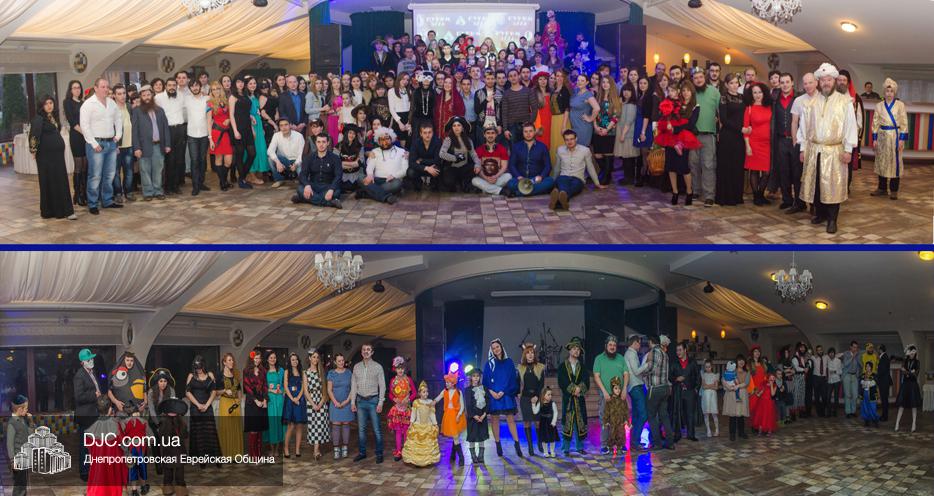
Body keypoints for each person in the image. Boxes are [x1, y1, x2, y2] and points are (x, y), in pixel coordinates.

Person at [797, 63, 859, 234]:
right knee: (817, 184)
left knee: (833, 186)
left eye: (829, 80)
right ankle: (820, 214)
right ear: (819, 82)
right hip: (814, 150)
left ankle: (832, 219)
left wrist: (848, 150)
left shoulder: (845, 102)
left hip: (834, 152)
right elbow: (803, 127)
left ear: (834, 81)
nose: (826, 83)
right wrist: (803, 148)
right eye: (823, 80)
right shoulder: (811, 102)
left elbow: (850, 126)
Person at [29, 95, 77, 220]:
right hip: (46, 157)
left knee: (60, 180)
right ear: (41, 106)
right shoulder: (39, 119)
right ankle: (50, 210)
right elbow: (34, 135)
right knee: (49, 181)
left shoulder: (52, 117)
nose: (49, 105)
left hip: (57, 156)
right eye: (46, 103)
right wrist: (33, 151)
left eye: (51, 102)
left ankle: (64, 210)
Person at [80, 77, 123, 214]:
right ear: (96, 88)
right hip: (96, 144)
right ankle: (93, 204)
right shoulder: (88, 104)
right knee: (95, 176)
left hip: (111, 143)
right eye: (103, 87)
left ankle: (107, 200)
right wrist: (93, 143)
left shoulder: (111, 103)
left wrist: (118, 135)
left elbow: (118, 119)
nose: (106, 89)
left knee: (110, 174)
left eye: (107, 87)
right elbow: (84, 126)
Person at [657, 83, 700, 205]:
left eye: (688, 91)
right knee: (671, 166)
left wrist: (675, 129)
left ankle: (689, 191)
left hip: (683, 138)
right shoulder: (671, 102)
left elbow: (689, 124)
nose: (686, 93)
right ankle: (675, 192)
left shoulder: (690, 105)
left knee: (683, 167)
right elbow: (664, 116)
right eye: (684, 90)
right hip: (669, 137)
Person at [483, 338, 522, 457]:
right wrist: (492, 392)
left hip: (506, 395)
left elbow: (513, 379)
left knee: (510, 419)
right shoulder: (489, 364)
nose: (496, 349)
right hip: (494, 396)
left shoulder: (509, 362)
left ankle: (517, 444)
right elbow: (485, 381)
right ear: (491, 350)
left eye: (497, 347)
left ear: (501, 347)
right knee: (495, 419)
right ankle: (498, 445)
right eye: (493, 348)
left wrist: (503, 391)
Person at [130, 85, 171, 201]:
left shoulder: (160, 110)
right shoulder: (137, 111)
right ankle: (148, 192)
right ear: (141, 97)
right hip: (143, 147)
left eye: (148, 95)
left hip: (159, 145)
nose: (146, 97)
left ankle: (158, 191)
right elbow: (134, 131)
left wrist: (167, 144)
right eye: (144, 95)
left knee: (158, 170)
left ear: (152, 95)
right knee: (145, 170)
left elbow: (165, 128)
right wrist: (136, 148)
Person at [870, 78, 908, 200]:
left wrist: (901, 139)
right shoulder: (879, 106)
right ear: (884, 92)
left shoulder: (900, 105)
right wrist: (874, 139)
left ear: (895, 92)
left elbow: (904, 123)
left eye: (891, 91)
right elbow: (875, 123)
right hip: (882, 137)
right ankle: (882, 188)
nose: (889, 93)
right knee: (882, 162)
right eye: (887, 91)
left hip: (895, 137)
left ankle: (894, 190)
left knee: (894, 163)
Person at [688, 69, 720, 206]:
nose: (698, 80)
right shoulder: (690, 92)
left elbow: (720, 111)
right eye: (695, 78)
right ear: (692, 80)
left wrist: (719, 129)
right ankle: (696, 190)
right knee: (693, 164)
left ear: (705, 78)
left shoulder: (714, 92)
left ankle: (709, 195)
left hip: (708, 134)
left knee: (708, 165)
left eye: (701, 77)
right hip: (692, 135)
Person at [592, 335, 629, 454]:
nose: (612, 347)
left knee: (620, 420)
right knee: (605, 420)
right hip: (606, 395)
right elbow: (596, 376)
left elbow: (626, 374)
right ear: (606, 346)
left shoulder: (621, 358)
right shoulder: (599, 359)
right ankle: (604, 445)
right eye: (610, 345)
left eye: (614, 345)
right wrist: (604, 392)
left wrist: (624, 389)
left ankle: (621, 444)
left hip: (619, 396)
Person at [351, 343, 386, 463]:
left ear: (372, 352)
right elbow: (353, 385)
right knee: (361, 429)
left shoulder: (378, 367)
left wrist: (380, 403)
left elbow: (382, 386)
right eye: (364, 349)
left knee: (376, 429)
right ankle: (362, 453)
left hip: (373, 401)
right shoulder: (356, 367)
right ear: (361, 352)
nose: (366, 351)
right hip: (360, 401)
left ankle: (379, 454)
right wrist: (353, 402)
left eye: (368, 349)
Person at [86, 397, 126, 496]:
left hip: (98, 465)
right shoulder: (116, 425)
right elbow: (123, 445)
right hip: (112, 465)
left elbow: (89, 447)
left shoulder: (91, 428)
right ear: (110, 409)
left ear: (97, 409)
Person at [715, 74, 746, 206]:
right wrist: (740, 128)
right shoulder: (723, 98)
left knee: (737, 166)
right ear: (726, 85)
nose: (734, 85)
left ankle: (737, 196)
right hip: (727, 136)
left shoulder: (743, 97)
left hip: (739, 137)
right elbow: (724, 119)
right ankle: (726, 197)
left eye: (736, 82)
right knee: (726, 166)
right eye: (731, 83)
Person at [185, 355, 221, 467]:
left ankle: (216, 458)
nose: (198, 370)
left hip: (207, 406)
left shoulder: (209, 375)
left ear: (203, 366)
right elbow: (187, 392)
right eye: (196, 368)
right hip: (195, 407)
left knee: (210, 432)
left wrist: (207, 405)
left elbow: (214, 391)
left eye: (200, 367)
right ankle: (201, 460)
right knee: (199, 433)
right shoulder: (191, 376)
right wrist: (198, 404)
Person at [557, 336, 589, 456]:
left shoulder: (583, 367)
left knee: (579, 423)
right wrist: (573, 389)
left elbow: (586, 381)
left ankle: (579, 447)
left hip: (579, 399)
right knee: (567, 423)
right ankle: (565, 449)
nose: (576, 351)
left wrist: (579, 388)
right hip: (568, 399)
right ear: (570, 350)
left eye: (578, 349)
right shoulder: (562, 366)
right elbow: (562, 381)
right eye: (574, 348)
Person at [154, 77, 186, 195]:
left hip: (180, 129)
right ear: (165, 86)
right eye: (169, 85)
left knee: (178, 159)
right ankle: (167, 186)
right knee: (168, 159)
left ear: (176, 86)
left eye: (174, 85)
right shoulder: (158, 98)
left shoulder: (181, 96)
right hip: (167, 130)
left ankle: (175, 185)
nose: (172, 87)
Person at [642, 335, 674, 450]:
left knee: (651, 416)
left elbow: (651, 368)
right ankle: (670, 443)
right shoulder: (665, 354)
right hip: (665, 388)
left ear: (651, 342)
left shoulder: (654, 351)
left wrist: (641, 371)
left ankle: (657, 443)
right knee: (664, 416)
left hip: (655, 388)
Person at [742, 82, 773, 206]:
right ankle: (756, 196)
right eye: (754, 92)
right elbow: (745, 129)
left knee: (766, 172)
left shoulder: (769, 106)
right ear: (751, 94)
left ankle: (761, 194)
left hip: (767, 144)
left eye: (760, 92)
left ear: (764, 93)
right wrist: (747, 146)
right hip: (753, 143)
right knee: (754, 170)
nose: (757, 95)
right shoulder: (749, 108)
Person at [357, 127, 405, 204]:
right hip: (375, 180)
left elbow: (405, 169)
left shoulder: (401, 151)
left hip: (391, 181)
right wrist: (370, 174)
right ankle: (387, 197)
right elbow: (370, 165)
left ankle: (367, 192)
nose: (384, 141)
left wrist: (394, 176)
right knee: (360, 177)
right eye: (381, 139)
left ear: (391, 139)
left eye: (387, 138)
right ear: (378, 141)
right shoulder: (374, 151)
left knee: (397, 184)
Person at [294, 132, 343, 208]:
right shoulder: (309, 157)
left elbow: (338, 176)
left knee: (337, 191)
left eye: (324, 142)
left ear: (328, 143)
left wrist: (331, 189)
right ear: (315, 143)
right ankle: (330, 202)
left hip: (328, 186)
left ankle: (304, 199)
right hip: (313, 186)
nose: (321, 144)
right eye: (319, 142)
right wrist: (307, 185)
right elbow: (303, 174)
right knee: (300, 188)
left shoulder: (335, 158)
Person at [74, 348, 101, 480]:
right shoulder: (79, 375)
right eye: (89, 359)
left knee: (93, 444)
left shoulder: (92, 372)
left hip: (93, 414)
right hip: (85, 416)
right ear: (83, 362)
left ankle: (92, 469)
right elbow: (79, 397)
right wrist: (94, 395)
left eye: (92, 358)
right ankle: (84, 473)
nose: (92, 361)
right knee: (85, 446)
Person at [506, 122, 554, 197]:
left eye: (530, 131)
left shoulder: (542, 147)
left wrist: (541, 176)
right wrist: (518, 176)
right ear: (522, 133)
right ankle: (536, 190)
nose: (528, 134)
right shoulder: (516, 147)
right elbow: (511, 165)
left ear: (534, 132)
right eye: (525, 131)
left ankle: (517, 193)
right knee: (510, 184)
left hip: (535, 179)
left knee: (550, 181)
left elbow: (548, 166)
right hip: (521, 179)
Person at [402, 381, 440, 466]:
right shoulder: (416, 402)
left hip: (428, 425)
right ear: (419, 393)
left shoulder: (430, 402)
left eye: (427, 391)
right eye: (424, 392)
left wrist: (435, 423)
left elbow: (432, 414)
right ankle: (417, 460)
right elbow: (413, 414)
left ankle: (428, 460)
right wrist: (411, 423)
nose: (426, 393)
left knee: (428, 443)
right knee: (417, 444)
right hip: (418, 425)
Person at [433, 371, 467, 466]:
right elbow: (438, 398)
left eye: (448, 382)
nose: (446, 384)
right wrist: (432, 402)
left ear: (453, 383)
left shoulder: (458, 392)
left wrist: (458, 415)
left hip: (457, 416)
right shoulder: (445, 391)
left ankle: (461, 458)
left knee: (455, 436)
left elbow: (462, 406)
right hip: (448, 416)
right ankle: (453, 455)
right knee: (455, 436)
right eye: (446, 382)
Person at [590, 75, 619, 184]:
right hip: (597, 129)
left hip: (609, 131)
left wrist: (607, 129)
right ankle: (605, 172)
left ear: (611, 84)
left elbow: (616, 117)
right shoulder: (597, 97)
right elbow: (593, 113)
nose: (605, 84)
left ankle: (606, 176)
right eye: (603, 82)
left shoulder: (615, 99)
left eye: (607, 82)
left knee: (607, 154)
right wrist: (596, 127)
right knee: (597, 154)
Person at [517, 343, 545, 456]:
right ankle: (530, 447)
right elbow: (517, 382)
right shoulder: (521, 368)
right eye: (528, 353)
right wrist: (517, 393)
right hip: (525, 399)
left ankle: (539, 443)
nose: (530, 355)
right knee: (527, 422)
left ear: (534, 354)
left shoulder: (540, 367)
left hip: (536, 397)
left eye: (532, 352)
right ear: (524, 355)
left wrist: (537, 396)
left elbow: (541, 384)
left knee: (537, 422)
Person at [386, 356, 416, 462]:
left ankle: (406, 450)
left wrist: (408, 399)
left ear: (404, 369)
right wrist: (395, 399)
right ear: (395, 369)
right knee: (398, 431)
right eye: (398, 368)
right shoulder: (393, 381)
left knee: (406, 431)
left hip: (406, 408)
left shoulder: (408, 380)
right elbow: (390, 394)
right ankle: (398, 451)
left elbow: (414, 392)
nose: (400, 370)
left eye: (402, 368)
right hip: (397, 409)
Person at [64, 80, 88, 206]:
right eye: (74, 88)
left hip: (86, 137)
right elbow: (72, 121)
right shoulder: (67, 102)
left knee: (85, 166)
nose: (77, 90)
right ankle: (77, 194)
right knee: (78, 166)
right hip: (76, 136)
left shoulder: (84, 103)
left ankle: (84, 193)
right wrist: (86, 133)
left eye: (79, 87)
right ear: (70, 90)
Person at [157, 397, 188, 496]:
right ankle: (181, 490)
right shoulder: (182, 423)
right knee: (179, 471)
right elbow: (186, 435)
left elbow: (160, 437)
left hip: (167, 451)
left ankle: (168, 489)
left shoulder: (162, 423)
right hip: (179, 451)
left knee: (167, 471)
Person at [206, 81, 233, 191]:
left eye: (217, 88)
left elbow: (232, 115)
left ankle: (224, 180)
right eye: (213, 89)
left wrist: (229, 119)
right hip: (216, 133)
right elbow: (208, 122)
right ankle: (223, 182)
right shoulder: (209, 103)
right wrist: (210, 139)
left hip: (227, 133)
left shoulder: (226, 101)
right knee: (219, 158)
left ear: (221, 89)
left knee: (228, 160)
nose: (216, 91)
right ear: (211, 91)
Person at [185, 79, 210, 195]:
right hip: (192, 135)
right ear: (190, 88)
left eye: (196, 86)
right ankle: (195, 186)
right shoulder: (186, 99)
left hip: (204, 134)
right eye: (192, 86)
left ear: (200, 87)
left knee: (202, 160)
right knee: (194, 160)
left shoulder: (207, 99)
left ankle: (201, 183)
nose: (195, 88)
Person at [230, 77, 256, 189]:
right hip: (238, 128)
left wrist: (251, 118)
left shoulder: (245, 95)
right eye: (238, 82)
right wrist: (235, 130)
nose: (240, 84)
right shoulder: (233, 97)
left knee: (252, 153)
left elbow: (245, 111)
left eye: (242, 82)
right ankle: (242, 180)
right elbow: (231, 115)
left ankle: (242, 177)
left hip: (247, 128)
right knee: (239, 155)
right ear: (235, 84)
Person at [670, 342, 699, 442]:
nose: (678, 352)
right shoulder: (674, 363)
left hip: (690, 392)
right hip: (678, 391)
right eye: (677, 350)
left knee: (690, 413)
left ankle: (691, 434)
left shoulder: (692, 362)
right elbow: (670, 377)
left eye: (680, 350)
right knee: (677, 413)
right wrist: (676, 379)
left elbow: (698, 376)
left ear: (685, 350)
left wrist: (696, 389)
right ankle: (677, 435)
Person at [303, 350, 329, 460]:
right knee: (313, 426)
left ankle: (316, 450)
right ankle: (316, 450)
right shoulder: (305, 373)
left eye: (317, 357)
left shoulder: (321, 372)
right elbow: (306, 391)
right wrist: (313, 404)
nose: (316, 359)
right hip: (311, 402)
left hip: (321, 400)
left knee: (320, 426)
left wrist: (321, 403)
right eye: (314, 357)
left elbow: (325, 390)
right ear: (309, 358)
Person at [216, 353, 243, 458]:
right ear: (224, 362)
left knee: (236, 429)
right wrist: (224, 390)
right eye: (229, 360)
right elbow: (215, 392)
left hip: (235, 403)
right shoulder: (220, 375)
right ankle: (226, 455)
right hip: (225, 403)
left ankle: (236, 455)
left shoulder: (235, 373)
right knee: (226, 429)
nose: (232, 362)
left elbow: (239, 389)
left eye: (232, 360)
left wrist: (239, 401)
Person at [326, 353, 353, 459]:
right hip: (335, 403)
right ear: (335, 362)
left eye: (342, 360)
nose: (341, 362)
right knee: (335, 426)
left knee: (346, 425)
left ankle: (345, 448)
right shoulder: (331, 373)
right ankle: (336, 449)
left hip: (347, 403)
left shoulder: (349, 373)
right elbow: (329, 390)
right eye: (339, 361)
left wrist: (346, 401)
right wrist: (335, 402)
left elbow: (353, 388)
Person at [111, 85, 134, 204]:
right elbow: (109, 129)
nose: (122, 96)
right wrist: (114, 145)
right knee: (115, 172)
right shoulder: (111, 109)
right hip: (116, 147)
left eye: (124, 93)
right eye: (119, 94)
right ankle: (118, 193)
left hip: (129, 145)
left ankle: (128, 192)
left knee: (129, 171)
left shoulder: (129, 107)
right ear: (114, 95)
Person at [267, 118, 305, 188]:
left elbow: (301, 154)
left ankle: (297, 177)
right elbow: (270, 150)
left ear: (290, 125)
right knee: (270, 159)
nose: (284, 127)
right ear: (279, 127)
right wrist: (278, 162)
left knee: (303, 182)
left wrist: (296, 164)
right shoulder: (276, 135)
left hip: (296, 161)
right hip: (284, 161)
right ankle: (279, 180)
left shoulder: (299, 136)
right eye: (281, 125)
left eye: (286, 125)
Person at [243, 350, 268, 458]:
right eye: (255, 358)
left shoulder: (263, 371)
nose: (257, 360)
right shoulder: (246, 371)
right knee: (253, 429)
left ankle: (259, 454)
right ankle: (253, 455)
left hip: (262, 401)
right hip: (251, 402)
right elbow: (247, 387)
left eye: (259, 358)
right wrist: (256, 400)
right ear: (251, 359)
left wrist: (265, 400)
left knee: (260, 429)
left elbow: (265, 386)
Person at [472, 129, 511, 196]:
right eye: (488, 133)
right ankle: (500, 191)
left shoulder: (502, 149)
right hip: (484, 178)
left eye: (492, 133)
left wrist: (496, 176)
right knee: (474, 180)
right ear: (484, 135)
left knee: (509, 176)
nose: (490, 135)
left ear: (496, 135)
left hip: (498, 178)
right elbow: (478, 167)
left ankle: (487, 189)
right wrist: (486, 178)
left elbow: (504, 167)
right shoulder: (479, 150)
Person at [614, 83, 640, 185]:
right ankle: (627, 177)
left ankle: (629, 178)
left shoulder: (631, 105)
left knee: (629, 158)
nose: (626, 92)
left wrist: (623, 134)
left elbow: (629, 121)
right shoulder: (624, 104)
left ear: (632, 92)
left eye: (628, 90)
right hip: (622, 132)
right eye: (624, 90)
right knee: (625, 158)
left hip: (628, 134)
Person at [464, 367, 490, 464]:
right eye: (474, 376)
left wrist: (484, 414)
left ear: (480, 377)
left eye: (477, 376)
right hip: (472, 418)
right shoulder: (468, 390)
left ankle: (481, 455)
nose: (476, 378)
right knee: (472, 436)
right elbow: (468, 405)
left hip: (482, 416)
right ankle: (473, 456)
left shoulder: (484, 388)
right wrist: (474, 416)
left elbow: (488, 402)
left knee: (481, 436)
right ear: (471, 377)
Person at [6, 395, 30, 496]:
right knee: (19, 484)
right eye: (26, 408)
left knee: (23, 483)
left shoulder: (23, 420)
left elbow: (30, 433)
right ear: (20, 409)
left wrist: (31, 422)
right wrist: (12, 460)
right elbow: (9, 444)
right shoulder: (12, 423)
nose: (27, 410)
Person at [894, 345, 921, 432]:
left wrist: (907, 372)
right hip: (905, 385)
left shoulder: (917, 362)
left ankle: (914, 423)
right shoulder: (905, 361)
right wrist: (910, 372)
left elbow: (915, 374)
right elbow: (903, 372)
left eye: (913, 352)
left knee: (914, 405)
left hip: (913, 385)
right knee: (901, 405)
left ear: (915, 353)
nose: (912, 354)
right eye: (910, 352)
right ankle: (897, 423)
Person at [722, 356, 750, 441]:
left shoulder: (747, 371)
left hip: (742, 393)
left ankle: (741, 432)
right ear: (736, 362)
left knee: (741, 414)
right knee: (732, 414)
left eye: (743, 360)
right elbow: (723, 378)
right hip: (732, 393)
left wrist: (738, 386)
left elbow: (746, 383)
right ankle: (732, 434)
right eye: (739, 360)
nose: (741, 362)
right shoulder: (731, 370)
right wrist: (727, 386)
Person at [568, 74, 599, 148]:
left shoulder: (588, 94)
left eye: (582, 81)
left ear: (587, 82)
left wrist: (590, 118)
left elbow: (597, 108)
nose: (579, 82)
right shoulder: (576, 92)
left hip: (583, 126)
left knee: (582, 149)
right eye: (578, 80)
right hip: (574, 126)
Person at [263, 351, 284, 457]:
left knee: (279, 422)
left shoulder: (281, 370)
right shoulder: (264, 371)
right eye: (271, 357)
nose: (273, 359)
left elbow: (285, 384)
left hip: (279, 400)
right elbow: (262, 387)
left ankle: (278, 449)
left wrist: (281, 390)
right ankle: (272, 449)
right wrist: (270, 390)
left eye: (274, 357)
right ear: (267, 359)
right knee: (271, 423)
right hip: (270, 400)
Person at [603, 376, 630, 457]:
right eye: (616, 388)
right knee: (611, 434)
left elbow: (626, 410)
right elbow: (606, 411)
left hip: (620, 422)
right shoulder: (609, 400)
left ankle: (619, 447)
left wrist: (626, 420)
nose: (618, 390)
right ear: (612, 389)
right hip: (612, 422)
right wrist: (606, 421)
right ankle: (610, 447)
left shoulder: (622, 399)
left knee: (621, 434)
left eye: (619, 388)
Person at [841, 340, 861, 418]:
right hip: (847, 375)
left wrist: (858, 373)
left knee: (855, 395)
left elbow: (859, 365)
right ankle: (848, 412)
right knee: (848, 395)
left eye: (856, 347)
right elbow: (845, 364)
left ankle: (853, 411)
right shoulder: (846, 354)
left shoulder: (858, 354)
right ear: (850, 347)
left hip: (854, 376)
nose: (855, 349)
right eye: (854, 347)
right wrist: (852, 357)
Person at [700, 359, 720, 437]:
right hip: (705, 396)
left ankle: (717, 430)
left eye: (709, 367)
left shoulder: (715, 375)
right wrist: (711, 385)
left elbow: (716, 387)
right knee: (706, 413)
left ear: (712, 367)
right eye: (706, 367)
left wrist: (708, 386)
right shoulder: (703, 375)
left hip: (713, 396)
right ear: (704, 367)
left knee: (714, 413)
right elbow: (703, 386)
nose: (707, 368)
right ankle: (708, 430)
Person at [860, 362, 881, 428]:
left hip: (872, 394)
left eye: (868, 366)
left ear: (871, 367)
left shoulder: (874, 375)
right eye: (866, 366)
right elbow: (861, 383)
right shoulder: (863, 375)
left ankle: (875, 420)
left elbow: (874, 384)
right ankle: (867, 420)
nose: (867, 368)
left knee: (872, 408)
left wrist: (866, 383)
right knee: (865, 407)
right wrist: (865, 383)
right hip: (864, 393)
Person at [810, 345, 829, 417]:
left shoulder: (826, 357)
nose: (820, 351)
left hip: (823, 379)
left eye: (821, 349)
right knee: (817, 396)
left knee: (824, 396)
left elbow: (835, 355)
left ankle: (823, 411)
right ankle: (819, 412)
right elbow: (807, 355)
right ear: (816, 351)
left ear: (822, 350)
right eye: (818, 350)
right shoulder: (813, 357)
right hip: (816, 378)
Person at [876, 345, 892, 421]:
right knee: (884, 399)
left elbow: (882, 370)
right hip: (884, 381)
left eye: (878, 349)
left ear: (880, 350)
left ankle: (885, 417)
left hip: (884, 381)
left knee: (884, 399)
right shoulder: (884, 357)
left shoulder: (884, 358)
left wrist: (876, 375)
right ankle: (884, 415)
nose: (877, 351)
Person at [827, 348, 842, 417]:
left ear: (834, 353)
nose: (831, 354)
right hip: (830, 380)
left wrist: (835, 371)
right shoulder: (827, 360)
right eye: (830, 353)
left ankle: (835, 411)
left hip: (837, 380)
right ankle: (829, 412)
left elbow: (841, 371)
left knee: (836, 397)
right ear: (828, 354)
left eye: (832, 353)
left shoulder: (838, 361)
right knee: (828, 396)